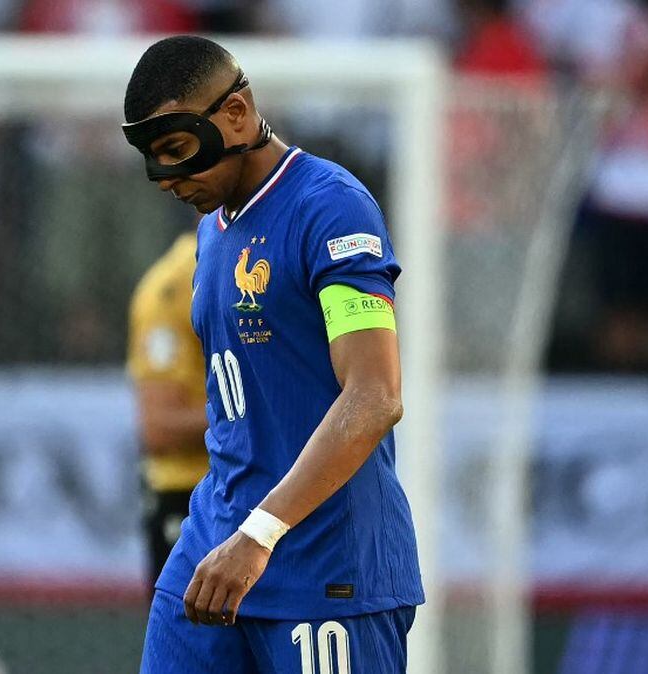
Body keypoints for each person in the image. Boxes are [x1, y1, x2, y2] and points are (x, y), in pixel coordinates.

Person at [121, 36, 423, 673]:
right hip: (213, 545)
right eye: (156, 161)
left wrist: (261, 533)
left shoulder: (330, 209)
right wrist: (237, 532)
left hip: (323, 563)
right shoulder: (212, 232)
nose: (169, 180)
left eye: (179, 153)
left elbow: (376, 395)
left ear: (235, 114)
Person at [127, 230, 209, 593]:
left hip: (265, 495)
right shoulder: (174, 287)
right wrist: (264, 415)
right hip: (189, 498)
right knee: (193, 646)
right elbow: (159, 427)